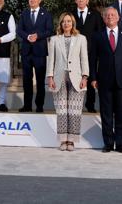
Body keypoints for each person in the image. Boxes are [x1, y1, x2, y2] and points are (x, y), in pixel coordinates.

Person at [90, 7, 122, 153]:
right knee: (106, 113)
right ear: (103, 18)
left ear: (118, 17)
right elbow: (93, 58)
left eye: (113, 15)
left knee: (121, 113)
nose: (110, 17)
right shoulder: (97, 36)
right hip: (104, 80)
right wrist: (93, 77)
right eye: (107, 15)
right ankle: (108, 143)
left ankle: (120, 143)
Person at [47, 13, 89, 151]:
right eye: (64, 21)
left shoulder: (81, 39)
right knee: (61, 110)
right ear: (60, 24)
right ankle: (63, 140)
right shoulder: (53, 39)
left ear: (73, 23)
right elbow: (51, 60)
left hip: (77, 78)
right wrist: (50, 77)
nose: (66, 24)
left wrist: (84, 77)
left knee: (74, 111)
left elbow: (84, 59)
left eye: (69, 21)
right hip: (59, 77)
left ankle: (71, 141)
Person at [16, 0, 53, 112]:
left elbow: (49, 30)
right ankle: (27, 105)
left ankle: (39, 106)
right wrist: (27, 37)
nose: (32, 0)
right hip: (26, 51)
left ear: (39, 0)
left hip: (40, 52)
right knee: (26, 80)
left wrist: (38, 35)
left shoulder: (46, 14)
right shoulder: (25, 13)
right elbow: (19, 30)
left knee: (40, 80)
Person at [71, 0, 103, 112]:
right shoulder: (71, 15)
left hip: (91, 52)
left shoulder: (95, 15)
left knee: (89, 77)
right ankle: (75, 104)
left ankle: (90, 104)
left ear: (87, 0)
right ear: (75, 0)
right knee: (75, 78)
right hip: (74, 53)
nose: (81, 0)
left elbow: (100, 33)